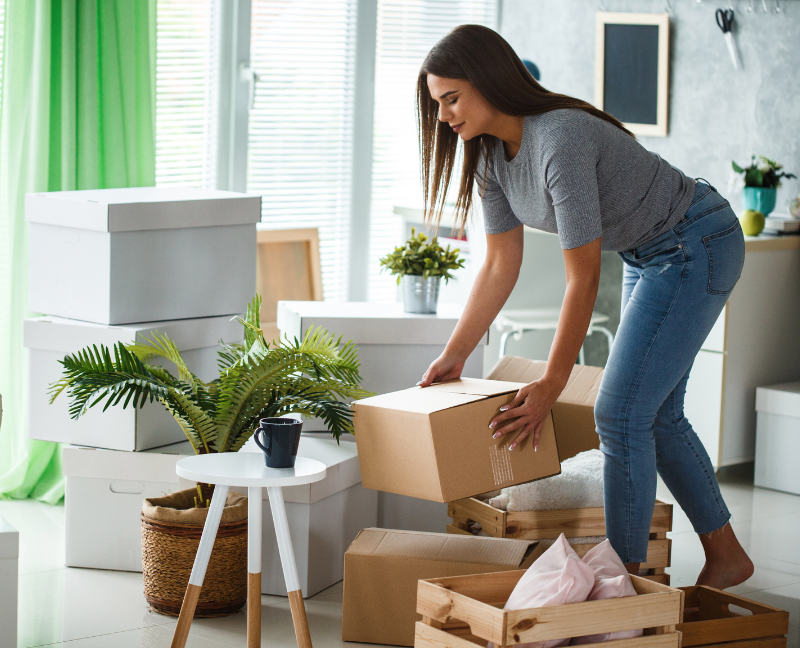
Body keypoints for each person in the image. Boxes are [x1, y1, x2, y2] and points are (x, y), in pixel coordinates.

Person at [416, 24, 754, 589]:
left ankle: (617, 583)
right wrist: (454, 356)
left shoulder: (560, 139)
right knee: (656, 415)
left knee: (620, 414)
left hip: (696, 241)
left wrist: (553, 381)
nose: (445, 116)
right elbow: (501, 263)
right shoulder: (488, 158)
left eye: (452, 98)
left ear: (490, 80)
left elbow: (584, 277)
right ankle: (727, 556)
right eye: (437, 104)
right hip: (649, 253)